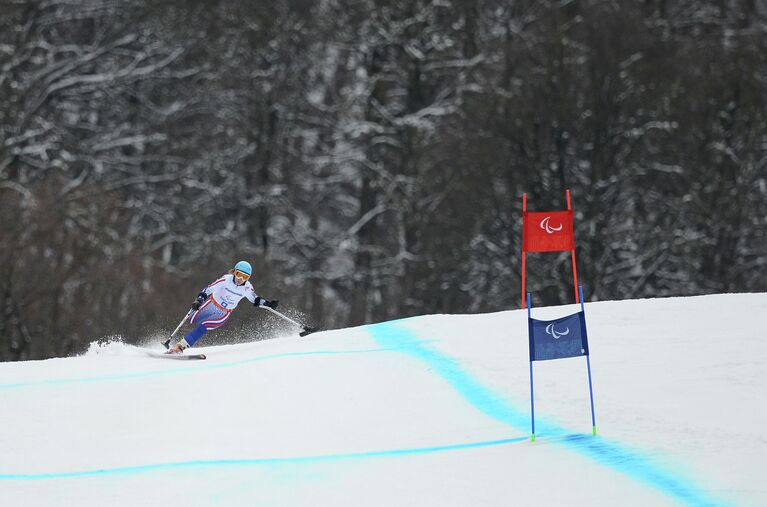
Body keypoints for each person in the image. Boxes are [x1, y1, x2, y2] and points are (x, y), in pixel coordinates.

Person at [167, 260, 279, 353]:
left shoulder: (247, 288)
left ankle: (180, 347)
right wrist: (199, 299)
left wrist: (268, 303)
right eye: (239, 274)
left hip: (223, 313)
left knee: (205, 327)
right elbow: (208, 289)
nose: (241, 279)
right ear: (234, 272)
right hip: (210, 305)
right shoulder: (226, 280)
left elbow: (255, 299)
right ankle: (170, 341)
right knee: (192, 320)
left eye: (245, 277)